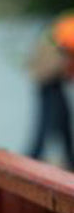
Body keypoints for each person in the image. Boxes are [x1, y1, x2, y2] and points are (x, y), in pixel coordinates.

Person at [27, 14, 74, 169]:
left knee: (61, 119)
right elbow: (66, 61)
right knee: (48, 122)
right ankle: (33, 158)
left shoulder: (63, 28)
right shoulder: (65, 33)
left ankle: (69, 160)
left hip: (50, 78)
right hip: (49, 78)